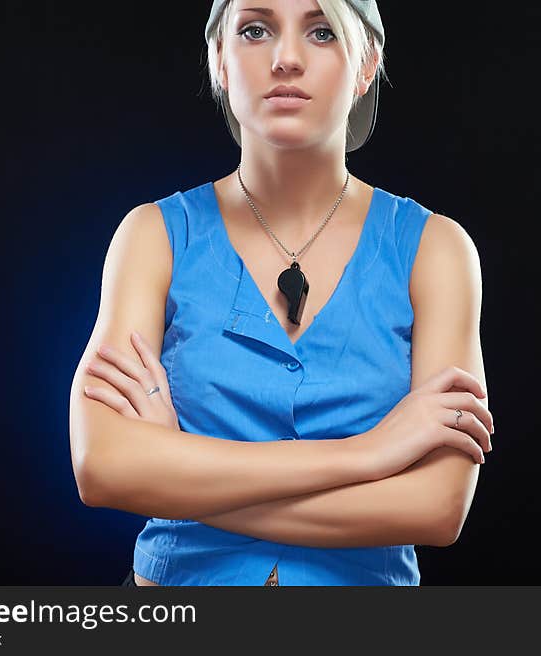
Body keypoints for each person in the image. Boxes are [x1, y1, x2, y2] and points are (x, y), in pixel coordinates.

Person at [69, 0, 493, 587]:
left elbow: (437, 507)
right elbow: (103, 467)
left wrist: (177, 473)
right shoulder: (154, 236)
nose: (286, 58)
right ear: (219, 59)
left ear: (367, 62)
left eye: (321, 31)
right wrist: (367, 453)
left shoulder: (436, 250)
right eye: (254, 29)